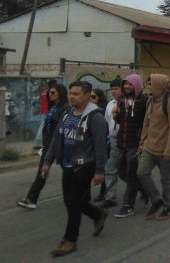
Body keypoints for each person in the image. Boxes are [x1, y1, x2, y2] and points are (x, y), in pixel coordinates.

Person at [40, 81, 109, 257]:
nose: (71, 96)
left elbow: (101, 146)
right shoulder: (67, 114)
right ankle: (98, 214)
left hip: (85, 165)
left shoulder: (96, 118)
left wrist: (100, 171)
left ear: (87, 96)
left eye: (76, 94)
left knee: (72, 201)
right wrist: (47, 162)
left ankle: (70, 240)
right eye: (71, 93)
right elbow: (57, 139)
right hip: (68, 164)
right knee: (72, 201)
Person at [17, 84, 69, 210]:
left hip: (60, 144)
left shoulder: (65, 108)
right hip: (48, 145)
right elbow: (46, 127)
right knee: (42, 171)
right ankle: (31, 199)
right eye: (49, 93)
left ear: (60, 93)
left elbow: (61, 128)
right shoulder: (52, 108)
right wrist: (45, 142)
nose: (50, 95)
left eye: (53, 93)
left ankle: (78, 197)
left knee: (69, 172)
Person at [137, 74, 170, 221]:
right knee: (142, 173)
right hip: (149, 146)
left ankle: (168, 207)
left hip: (165, 148)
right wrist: (142, 142)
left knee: (166, 179)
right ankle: (156, 200)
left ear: (159, 86)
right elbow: (146, 123)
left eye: (150, 83)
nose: (147, 85)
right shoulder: (150, 101)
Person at [112, 74, 149, 218]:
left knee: (131, 173)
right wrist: (116, 115)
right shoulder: (122, 101)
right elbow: (122, 122)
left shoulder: (144, 102)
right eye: (125, 84)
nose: (127, 87)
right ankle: (145, 189)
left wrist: (144, 142)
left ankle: (128, 204)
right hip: (122, 142)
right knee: (121, 172)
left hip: (136, 143)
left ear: (137, 85)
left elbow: (147, 123)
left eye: (130, 84)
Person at [101, 80, 122, 209]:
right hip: (113, 140)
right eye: (112, 89)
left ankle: (143, 190)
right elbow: (106, 122)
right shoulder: (110, 104)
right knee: (110, 168)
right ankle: (110, 197)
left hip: (127, 140)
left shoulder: (129, 103)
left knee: (128, 171)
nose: (114, 91)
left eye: (116, 88)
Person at [90, 88, 109, 203]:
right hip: (91, 143)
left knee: (104, 168)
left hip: (104, 142)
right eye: (90, 97)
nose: (91, 99)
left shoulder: (102, 110)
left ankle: (104, 191)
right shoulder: (89, 109)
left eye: (93, 97)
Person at [33, 79, 57, 151]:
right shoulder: (51, 92)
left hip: (44, 111)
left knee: (43, 126)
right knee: (43, 127)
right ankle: (38, 143)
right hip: (48, 112)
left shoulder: (44, 92)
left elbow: (41, 102)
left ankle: (39, 143)